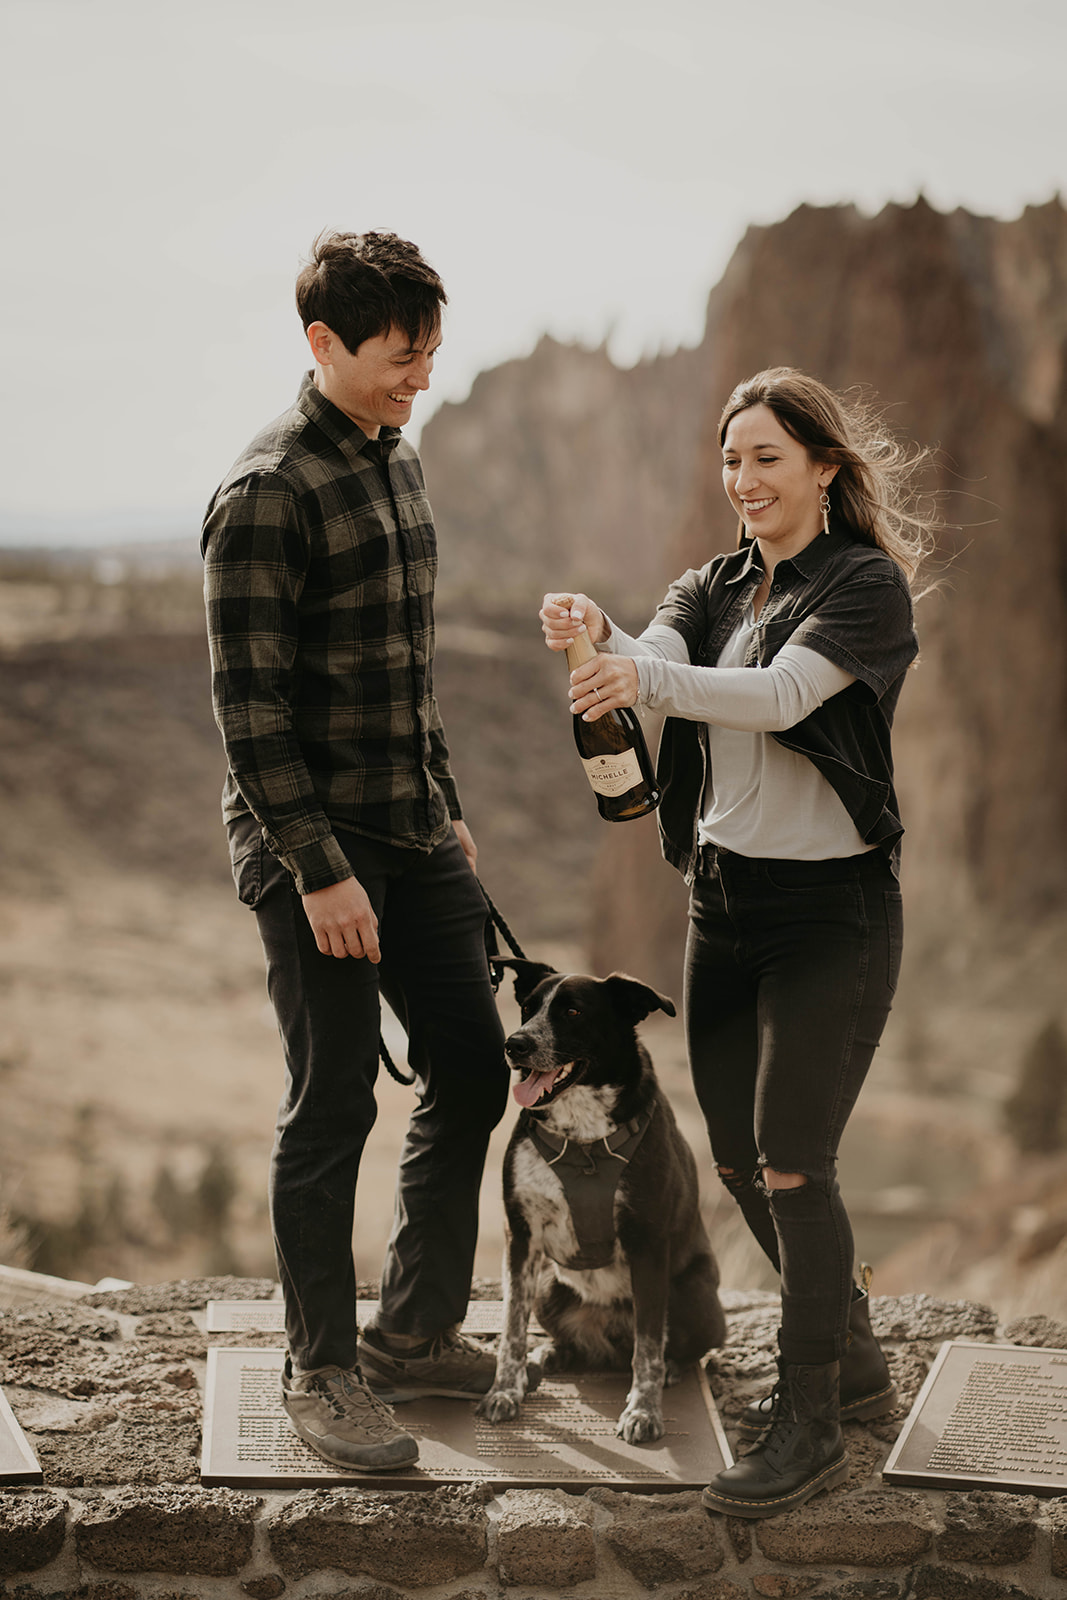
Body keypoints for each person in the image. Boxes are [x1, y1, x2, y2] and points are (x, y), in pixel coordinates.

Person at [540, 366, 936, 1518]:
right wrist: (589, 629)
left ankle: (808, 1416)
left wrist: (638, 669)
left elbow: (773, 696)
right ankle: (848, 1346)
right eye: (730, 458)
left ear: (822, 467)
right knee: (726, 1157)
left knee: (791, 1160)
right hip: (724, 905)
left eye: (767, 456)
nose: (744, 478)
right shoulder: (714, 582)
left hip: (830, 916)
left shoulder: (863, 587)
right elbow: (651, 641)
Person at [202, 230, 509, 1473]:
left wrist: (444, 805)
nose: (420, 376)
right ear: (322, 343)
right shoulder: (266, 489)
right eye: (399, 354)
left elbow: (406, 668)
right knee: (330, 1103)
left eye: (432, 350)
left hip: (412, 825)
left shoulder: (395, 458)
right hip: (309, 845)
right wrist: (320, 869)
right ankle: (319, 1371)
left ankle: (412, 1332)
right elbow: (248, 707)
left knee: (474, 1067)